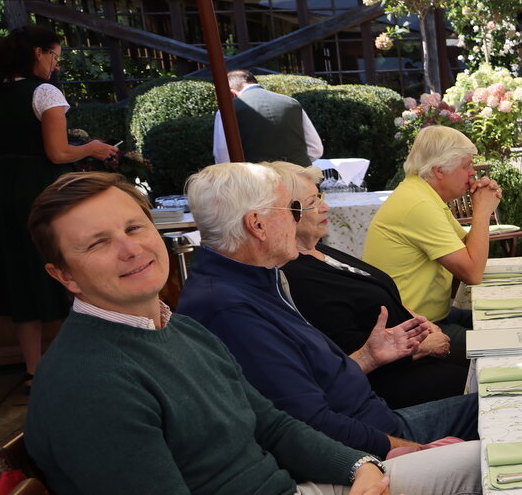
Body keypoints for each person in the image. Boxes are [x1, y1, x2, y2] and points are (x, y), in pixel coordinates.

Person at [24, 172, 483, 495]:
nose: (130, 249)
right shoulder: (89, 384)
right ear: (64, 275)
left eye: (134, 227)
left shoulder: (175, 327)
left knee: (478, 466)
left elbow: (273, 424)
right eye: (98, 243)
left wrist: (362, 469)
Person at [178, 162, 478, 458]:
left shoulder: (254, 280)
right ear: (257, 225)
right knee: (497, 407)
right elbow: (308, 425)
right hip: (375, 448)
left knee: (498, 401)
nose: (297, 220)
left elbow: (313, 385)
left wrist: (369, 356)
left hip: (379, 423)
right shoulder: (230, 308)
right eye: (293, 209)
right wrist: (411, 451)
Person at [274, 162, 467, 411]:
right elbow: (347, 348)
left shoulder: (318, 250)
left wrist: (422, 323)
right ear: (286, 213)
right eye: (313, 201)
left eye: (320, 196)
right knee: (482, 374)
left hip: (417, 344)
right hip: (390, 380)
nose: (325, 206)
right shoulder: (297, 275)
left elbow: (381, 291)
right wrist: (423, 346)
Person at [0, 24, 119, 387]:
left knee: (19, 271)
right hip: (41, 188)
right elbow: (58, 152)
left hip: (4, 188)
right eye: (55, 56)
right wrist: (93, 148)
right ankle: (78, 360)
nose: (56, 65)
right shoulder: (45, 92)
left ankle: (33, 369)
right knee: (65, 265)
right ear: (38, 53)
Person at [362, 125, 501, 351]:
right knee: (503, 343)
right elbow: (473, 273)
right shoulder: (418, 204)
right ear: (439, 170)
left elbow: (467, 249)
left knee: (507, 321)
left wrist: (481, 206)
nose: (472, 173)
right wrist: (483, 212)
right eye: (466, 165)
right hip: (409, 330)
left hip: (426, 317)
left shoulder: (420, 193)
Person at [212, 69, 323, 166]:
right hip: (299, 177)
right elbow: (316, 149)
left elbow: (223, 156)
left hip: (256, 179)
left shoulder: (227, 110)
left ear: (231, 93)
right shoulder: (292, 103)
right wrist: (295, 164)